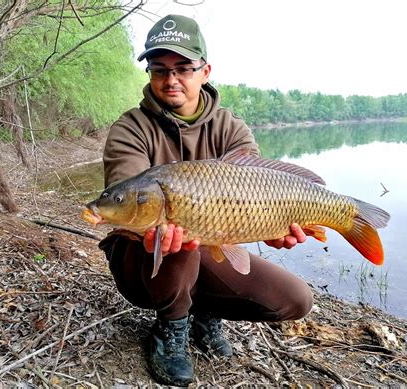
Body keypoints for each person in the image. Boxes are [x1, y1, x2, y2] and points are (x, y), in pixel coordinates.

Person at [99, 14, 313, 386]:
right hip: (139, 260)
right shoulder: (130, 128)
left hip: (207, 244)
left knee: (295, 300)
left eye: (183, 68)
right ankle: (170, 330)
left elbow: (256, 202)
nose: (171, 79)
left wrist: (276, 228)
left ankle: (203, 312)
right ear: (149, 73)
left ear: (205, 70)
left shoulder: (231, 128)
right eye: (159, 69)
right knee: (173, 233)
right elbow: (126, 198)